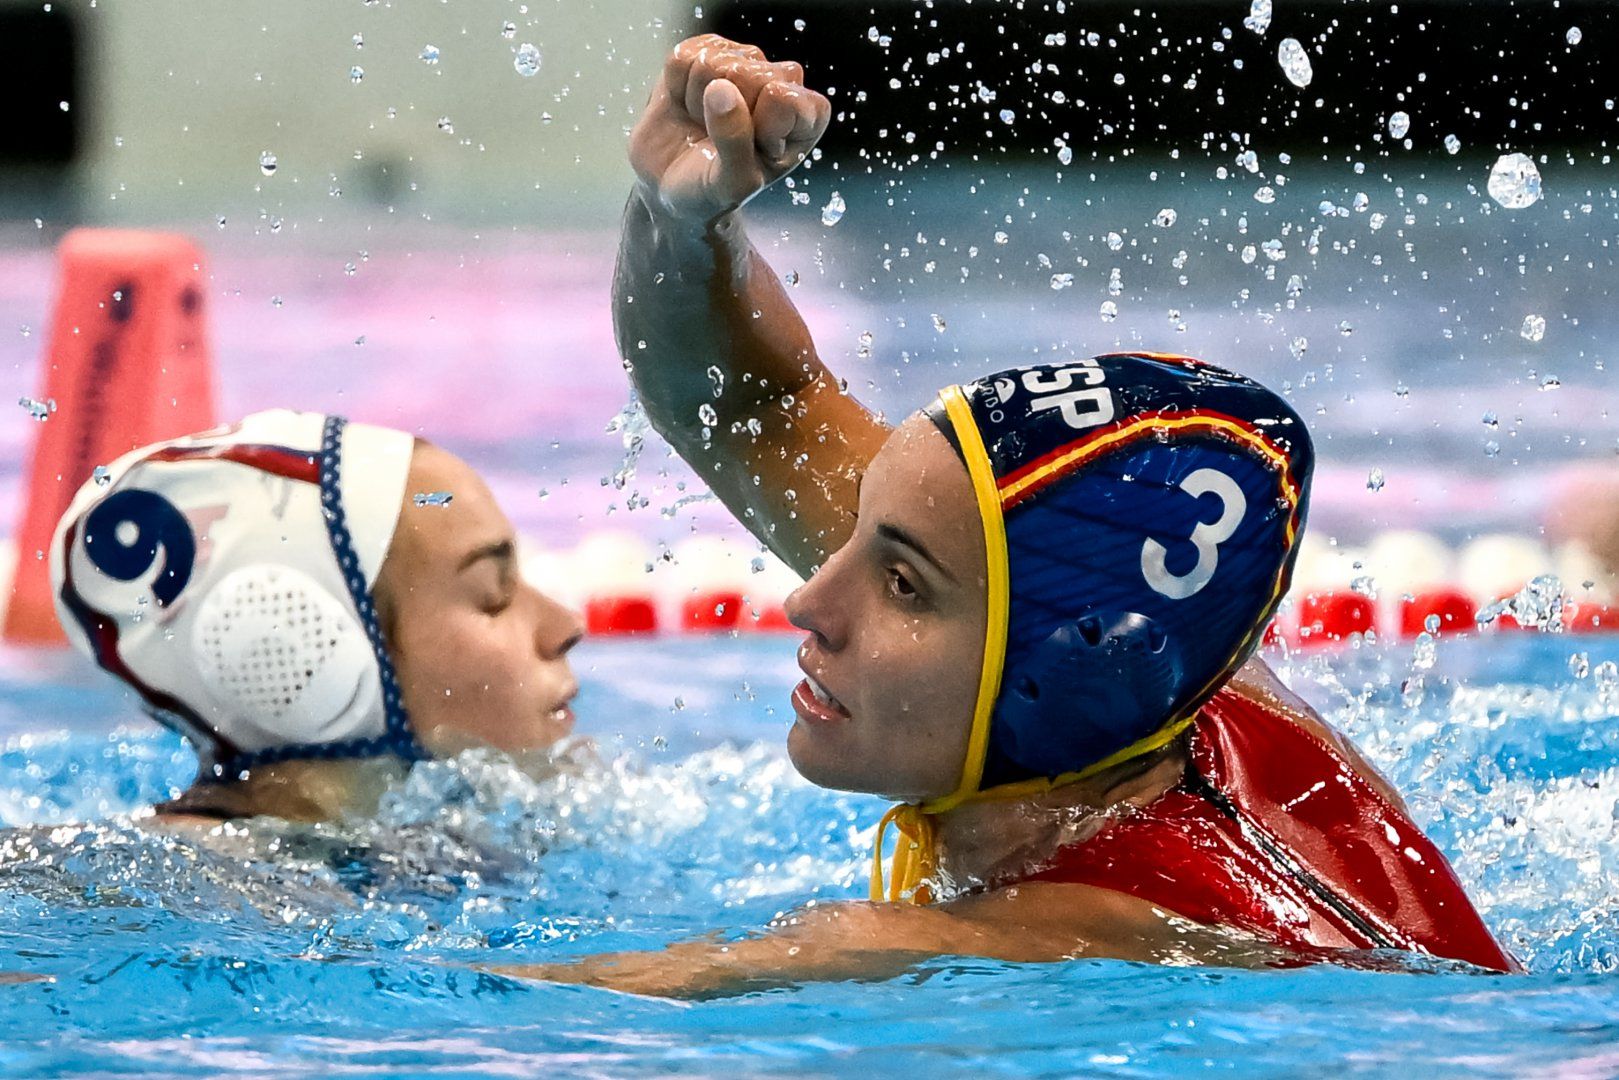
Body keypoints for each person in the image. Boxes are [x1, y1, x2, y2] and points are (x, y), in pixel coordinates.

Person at [488, 34, 1518, 996]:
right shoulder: (1149, 671)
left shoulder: (1051, 935)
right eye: (864, 536)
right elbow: (759, 405)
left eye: (900, 582)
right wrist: (680, 220)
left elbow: (542, 1009)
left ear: (1065, 678)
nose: (808, 598)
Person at [51, 408, 584, 823]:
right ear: (298, 647)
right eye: (492, 594)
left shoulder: (414, 849)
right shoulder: (185, 888)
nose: (566, 626)